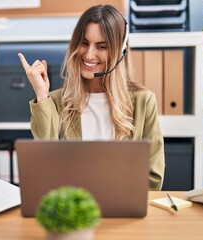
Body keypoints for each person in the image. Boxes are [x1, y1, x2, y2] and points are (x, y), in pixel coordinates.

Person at [18, 4, 165, 191]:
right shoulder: (53, 101)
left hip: (123, 211)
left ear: (121, 52)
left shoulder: (143, 101)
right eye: (84, 43)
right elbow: (45, 165)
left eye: (102, 46)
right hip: (73, 211)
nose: (89, 54)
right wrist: (41, 94)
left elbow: (153, 178)